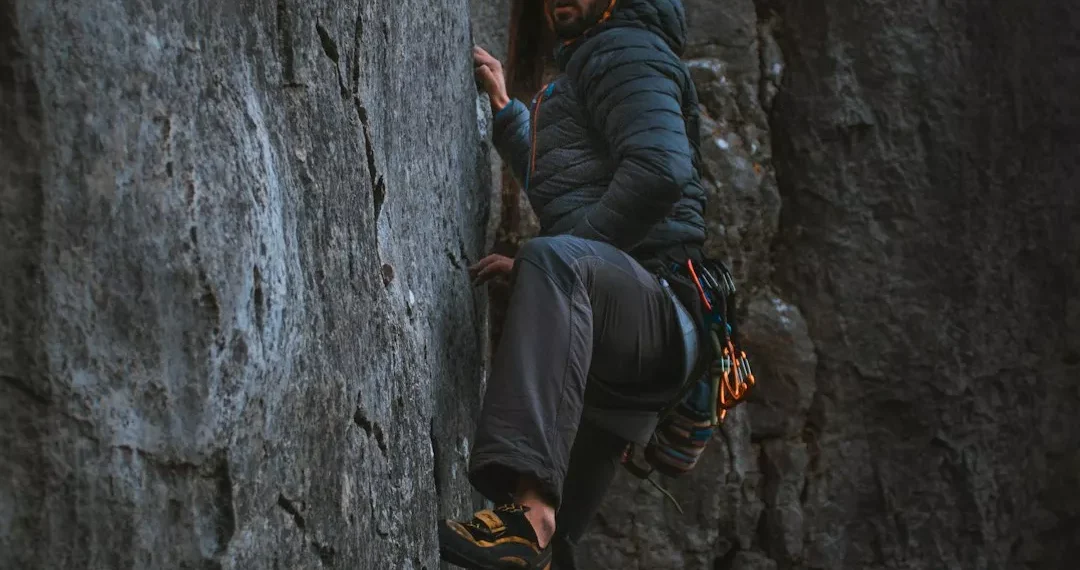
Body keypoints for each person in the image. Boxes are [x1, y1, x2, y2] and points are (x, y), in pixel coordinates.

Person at [439, 0, 707, 568]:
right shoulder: (595, 58)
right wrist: (509, 114)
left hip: (654, 311)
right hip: (615, 348)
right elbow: (572, 190)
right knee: (555, 554)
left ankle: (529, 512)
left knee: (553, 259)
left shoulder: (624, 48)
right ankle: (538, 530)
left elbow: (660, 171)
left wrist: (557, 267)